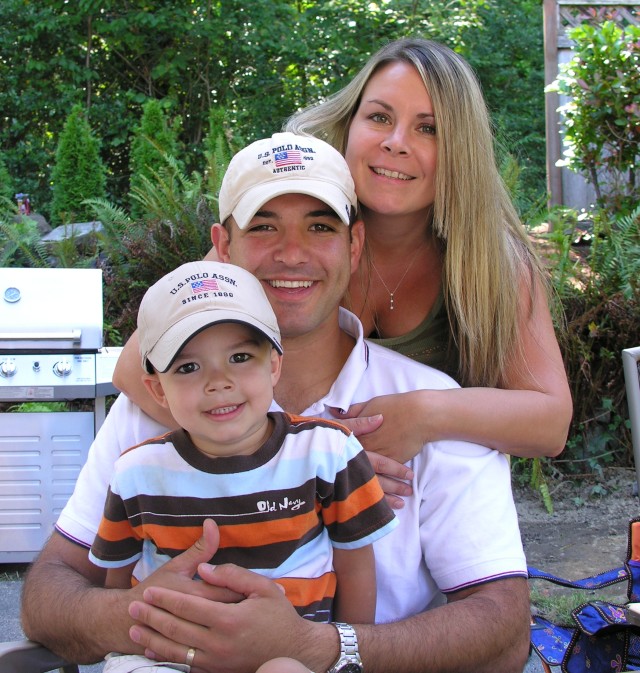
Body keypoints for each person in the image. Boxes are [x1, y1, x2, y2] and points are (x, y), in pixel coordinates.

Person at [22, 131, 530, 673]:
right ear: (223, 247)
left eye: (319, 226)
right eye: (264, 227)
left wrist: (322, 649)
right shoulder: (155, 410)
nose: (292, 253)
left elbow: (502, 624)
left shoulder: (427, 410)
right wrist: (148, 614)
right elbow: (46, 596)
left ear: (354, 246)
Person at [114, 38, 572, 475]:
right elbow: (135, 370)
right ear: (349, 126)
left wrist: (424, 410)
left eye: (427, 128)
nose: (396, 142)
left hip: (423, 507)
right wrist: (301, 459)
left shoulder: (490, 260)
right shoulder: (272, 239)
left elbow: (551, 422)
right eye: (379, 117)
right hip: (270, 499)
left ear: (461, 152)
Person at [89, 260, 396, 673]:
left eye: (239, 356)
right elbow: (116, 591)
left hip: (287, 653)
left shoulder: (329, 453)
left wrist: (340, 657)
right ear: (157, 389)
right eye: (188, 367)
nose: (218, 381)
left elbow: (356, 568)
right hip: (167, 656)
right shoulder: (135, 473)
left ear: (273, 364)